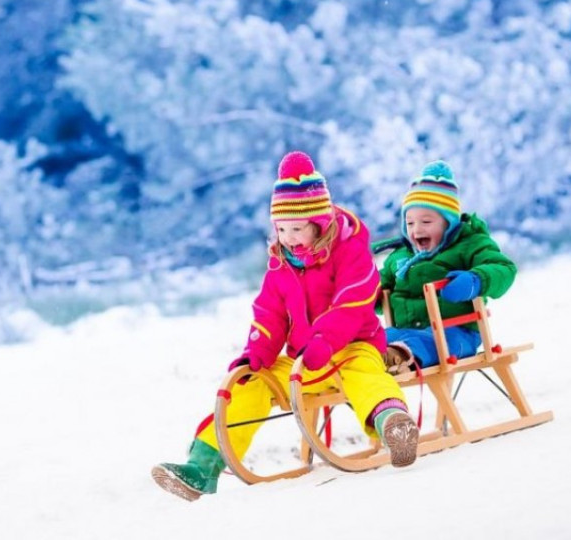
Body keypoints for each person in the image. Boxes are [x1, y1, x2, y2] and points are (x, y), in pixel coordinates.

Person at [151, 151, 419, 501]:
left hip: (353, 345)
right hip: (302, 360)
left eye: (296, 229)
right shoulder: (281, 265)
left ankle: (394, 426)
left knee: (365, 376)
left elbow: (354, 301)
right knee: (250, 385)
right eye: (281, 228)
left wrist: (326, 339)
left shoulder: (350, 251)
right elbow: (269, 312)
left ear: (319, 224)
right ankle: (203, 466)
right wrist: (257, 352)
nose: (288, 237)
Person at [379, 160, 517, 372]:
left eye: (426, 222)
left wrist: (475, 281)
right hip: (403, 331)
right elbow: (376, 287)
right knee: (373, 340)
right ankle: (364, 364)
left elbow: (503, 268)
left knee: (436, 342)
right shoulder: (400, 258)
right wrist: (362, 293)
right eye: (409, 223)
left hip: (457, 332)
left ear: (448, 223)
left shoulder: (469, 245)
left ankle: (398, 357)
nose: (416, 230)